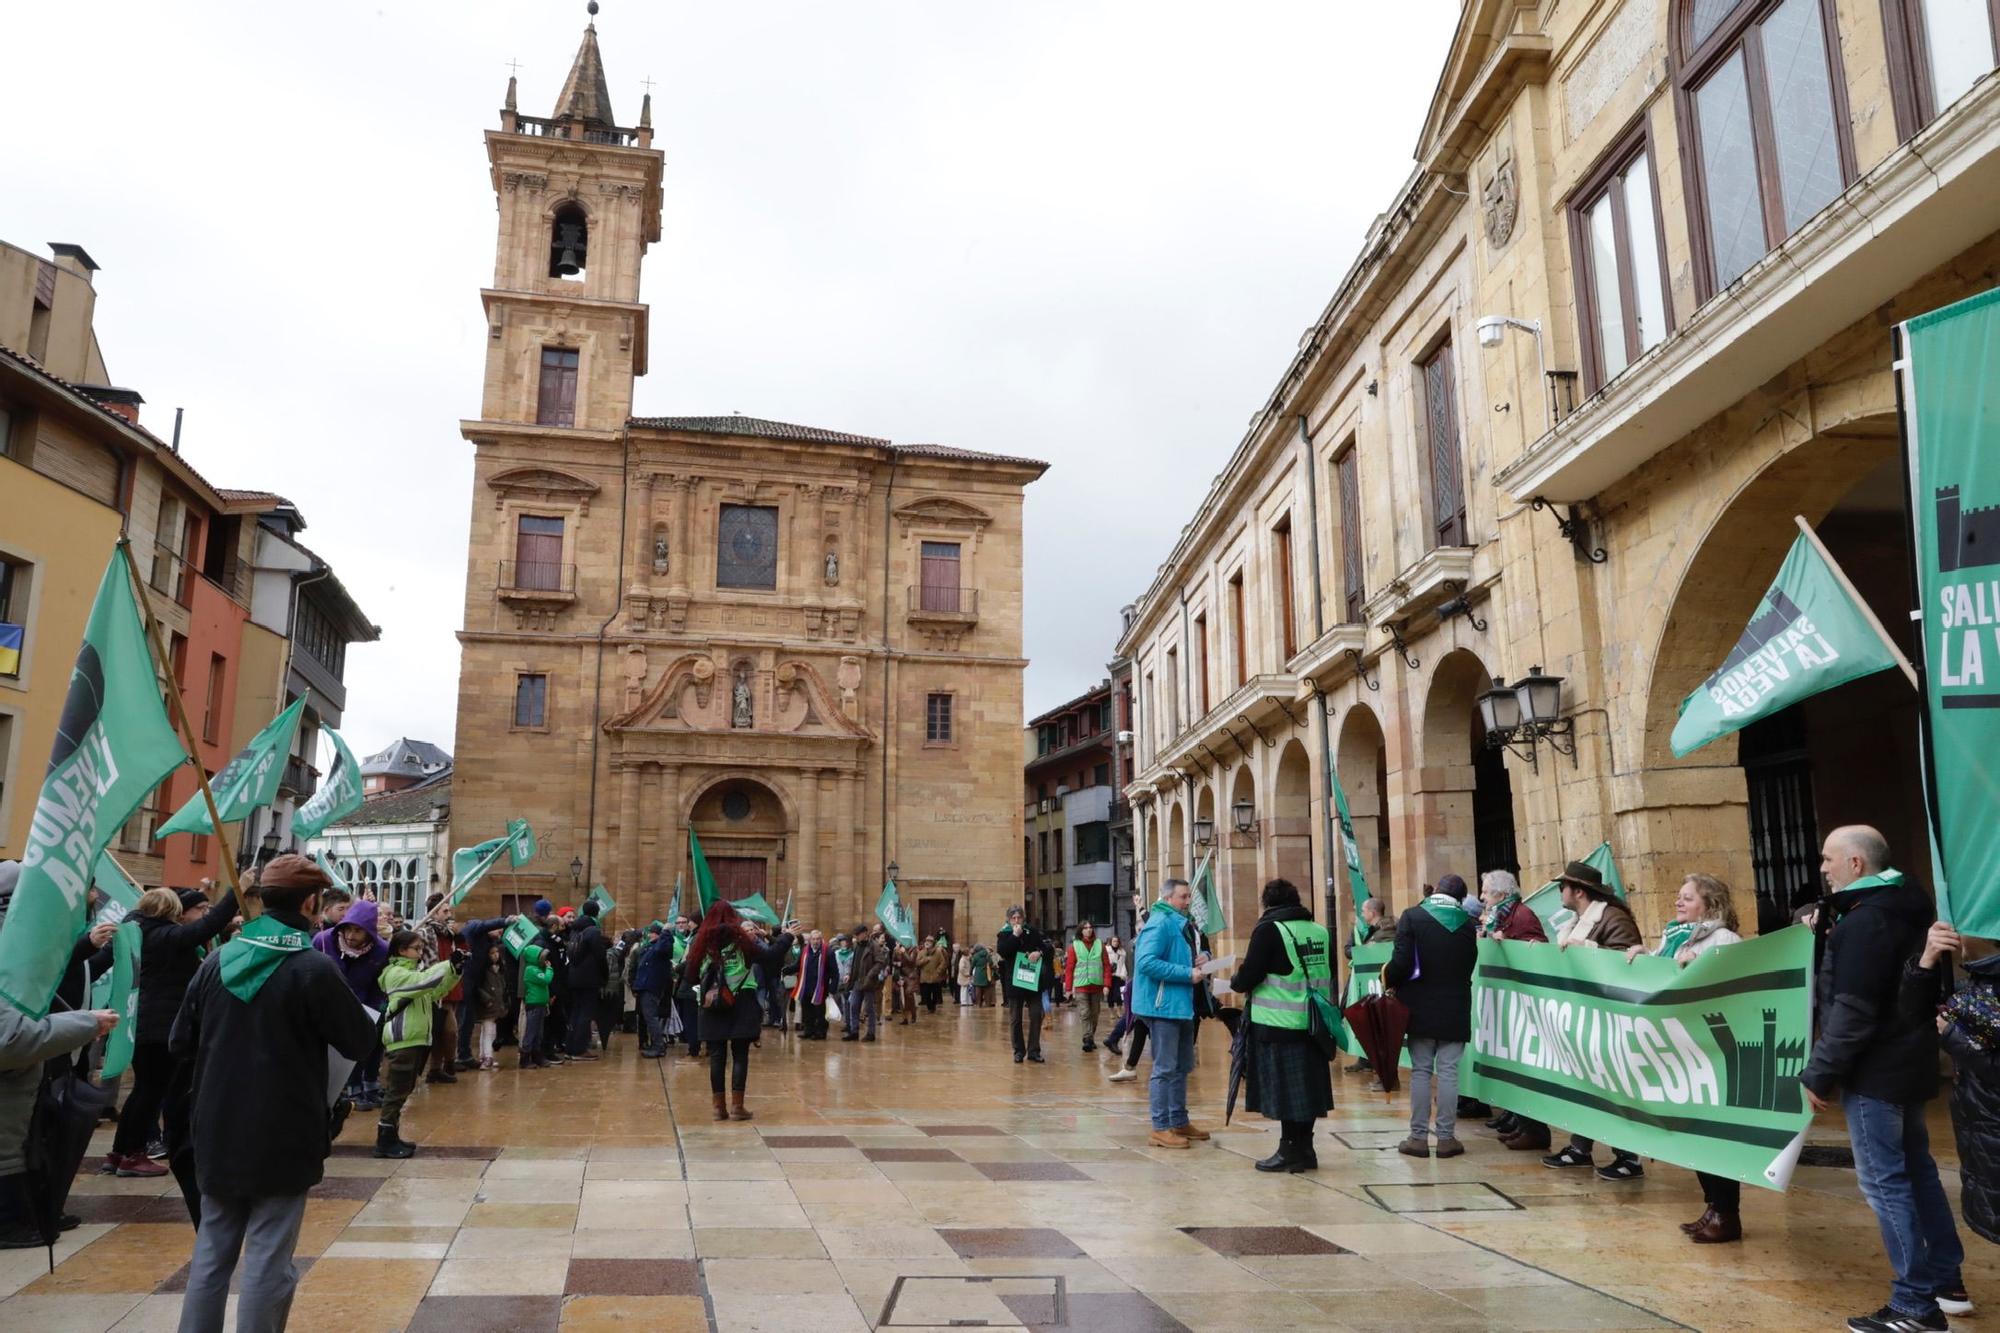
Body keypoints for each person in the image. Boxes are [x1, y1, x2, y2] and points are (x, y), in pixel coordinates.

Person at [170, 853, 378, 1333]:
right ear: (310, 903)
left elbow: (181, 1041)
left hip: (216, 1122)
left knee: (211, 1252)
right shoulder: (313, 969)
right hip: (286, 1127)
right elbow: (361, 1043)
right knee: (268, 1255)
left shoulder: (218, 960)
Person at [1801, 826, 1968, 1333]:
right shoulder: (1906, 905)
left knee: (1884, 1183)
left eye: (1829, 860)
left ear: (1855, 864)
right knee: (1916, 1172)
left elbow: (1853, 1009)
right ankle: (1946, 1281)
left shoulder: (1865, 922)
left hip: (1876, 1071)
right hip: (1910, 1063)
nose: (1823, 869)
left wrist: (1821, 1072)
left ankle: (1915, 1304)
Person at [1618, 874, 1747, 1241]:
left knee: (1713, 1137)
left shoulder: (1724, 939)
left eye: (1687, 898)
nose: (1679, 903)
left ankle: (1727, 1212)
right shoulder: (1675, 937)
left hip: (1712, 1052)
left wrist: (1697, 968)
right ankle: (1713, 1207)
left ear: (1710, 903)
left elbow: (1731, 987)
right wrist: (1645, 958)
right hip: (1683, 1052)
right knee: (1694, 1137)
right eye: (1678, 896)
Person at [106, 884, 240, 1177]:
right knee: (152, 1092)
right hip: (160, 1025)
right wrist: (235, 892)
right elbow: (208, 926)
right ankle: (133, 1155)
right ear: (172, 911)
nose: (202, 913)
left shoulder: (137, 931)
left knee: (143, 1090)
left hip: (143, 1022)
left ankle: (120, 1152)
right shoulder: (162, 935)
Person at [1542, 860, 1645, 1178]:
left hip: (1612, 1018)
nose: (1560, 892)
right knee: (1587, 1084)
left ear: (1578, 891)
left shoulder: (1613, 918)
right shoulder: (1577, 920)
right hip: (1587, 1016)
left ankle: (1629, 1156)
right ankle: (1580, 1148)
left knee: (1615, 1087)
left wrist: (1586, 948)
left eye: (1563, 887)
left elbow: (1625, 960)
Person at [1907, 920, 1997, 1265]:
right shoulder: (1975, 984)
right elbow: (1913, 1010)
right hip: (1983, 1129)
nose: (1957, 932)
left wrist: (1955, 1037)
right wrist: (1928, 957)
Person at [1229, 879, 1333, 1172]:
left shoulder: (1269, 930)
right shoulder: (1319, 930)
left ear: (1267, 903)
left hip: (1279, 1023)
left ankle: (1288, 1150)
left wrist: (1236, 982)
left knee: (1288, 1093)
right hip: (1315, 1024)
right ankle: (1306, 1148)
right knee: (1308, 1090)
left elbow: (1250, 974)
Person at [1384, 879, 1478, 1159]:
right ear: (1460, 898)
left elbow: (1400, 962)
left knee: (1421, 1070)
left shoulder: (1412, 916)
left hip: (1418, 1005)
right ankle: (1447, 1139)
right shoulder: (1467, 923)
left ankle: (1418, 1138)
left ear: (1436, 891)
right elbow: (1469, 962)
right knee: (1449, 1071)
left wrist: (1391, 982)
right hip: (1455, 1005)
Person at [683, 902, 794, 1121]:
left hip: (712, 1004)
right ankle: (737, 1107)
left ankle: (718, 1108)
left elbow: (690, 977)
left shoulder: (701, 943)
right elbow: (771, 957)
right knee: (740, 1055)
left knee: (716, 1057)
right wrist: (786, 936)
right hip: (742, 1002)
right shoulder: (742, 941)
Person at [1475, 870, 1550, 1147]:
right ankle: (1522, 1123)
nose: (1482, 896)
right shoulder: (1503, 915)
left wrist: (1505, 940)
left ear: (1502, 895)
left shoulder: (1522, 915)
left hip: (1523, 1002)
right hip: (1509, 1002)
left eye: (1486, 892)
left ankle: (1535, 1130)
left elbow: (1536, 950)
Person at [374, 928, 464, 1158]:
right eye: (416, 948)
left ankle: (392, 1135)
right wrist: (447, 965)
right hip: (403, 1038)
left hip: (416, 1038)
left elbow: (434, 991)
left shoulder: (415, 972)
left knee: (404, 1089)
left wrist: (455, 971)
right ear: (401, 950)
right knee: (395, 1091)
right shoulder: (394, 973)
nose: (420, 952)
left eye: (421, 948)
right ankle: (384, 1140)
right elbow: (423, 983)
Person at [1132, 879, 1203, 1147]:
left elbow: (1180, 954)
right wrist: (1186, 973)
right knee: (1164, 1068)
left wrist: (1201, 958)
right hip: (1163, 1006)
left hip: (1181, 1005)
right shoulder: (1160, 922)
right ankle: (1160, 1127)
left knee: (1182, 1065)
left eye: (1188, 897)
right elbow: (1146, 962)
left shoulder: (1180, 923)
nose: (1187, 901)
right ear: (1168, 897)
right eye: (1183, 897)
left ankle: (1179, 1120)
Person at [314, 897, 389, 1107]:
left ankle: (369, 1085)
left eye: (358, 931)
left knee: (369, 1044)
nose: (350, 935)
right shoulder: (323, 940)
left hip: (364, 1004)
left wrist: (374, 1010)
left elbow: (378, 984)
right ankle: (350, 1089)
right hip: (329, 1005)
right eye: (348, 929)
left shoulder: (381, 950)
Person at [454, 911, 512, 1070]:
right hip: (464, 983)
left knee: (469, 1022)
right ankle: (458, 1057)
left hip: (473, 986)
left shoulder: (487, 941)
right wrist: (505, 920)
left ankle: (465, 1055)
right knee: (463, 1021)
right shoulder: (474, 926)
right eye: (497, 928)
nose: (500, 932)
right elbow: (485, 924)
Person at [995, 907, 1049, 1064]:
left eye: (1019, 918)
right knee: (1015, 1018)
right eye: (1014, 918)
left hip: (1032, 980)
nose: (1017, 921)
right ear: (1009, 920)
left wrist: (1039, 953)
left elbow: (1046, 947)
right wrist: (1014, 936)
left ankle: (1034, 1050)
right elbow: (1003, 951)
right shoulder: (1004, 934)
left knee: (1035, 1015)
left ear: (1023, 919)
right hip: (1014, 981)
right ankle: (1018, 1051)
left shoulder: (1032, 931)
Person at [563, 898, 611, 1059]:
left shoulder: (575, 930)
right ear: (597, 913)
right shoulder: (592, 930)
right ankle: (579, 1049)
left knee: (576, 1012)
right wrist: (605, 976)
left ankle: (570, 1046)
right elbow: (600, 956)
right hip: (589, 978)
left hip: (574, 977)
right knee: (586, 1013)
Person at [1065, 921, 1109, 1053]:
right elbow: (1069, 968)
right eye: (1086, 928)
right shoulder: (1074, 946)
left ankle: (1091, 1037)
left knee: (1095, 1014)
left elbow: (1106, 966)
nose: (1089, 930)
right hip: (1081, 986)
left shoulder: (1099, 944)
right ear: (1081, 930)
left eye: (1090, 928)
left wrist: (1107, 984)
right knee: (1085, 1013)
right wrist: (1068, 988)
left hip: (1096, 985)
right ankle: (1087, 1039)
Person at [632, 922, 674, 1057]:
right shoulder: (650, 946)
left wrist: (666, 932)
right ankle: (656, 1044)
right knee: (648, 1016)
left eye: (651, 932)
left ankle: (658, 1046)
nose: (649, 934)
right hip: (645, 986)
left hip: (651, 987)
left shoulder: (662, 945)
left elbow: (661, 949)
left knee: (651, 1017)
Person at [793, 930, 837, 1040]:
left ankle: (820, 1032)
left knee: (820, 1012)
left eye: (818, 939)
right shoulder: (805, 951)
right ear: (810, 940)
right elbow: (797, 965)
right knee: (807, 1011)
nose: (815, 941)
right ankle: (808, 1031)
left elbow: (834, 972)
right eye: (813, 939)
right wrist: (786, 970)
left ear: (821, 940)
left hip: (821, 988)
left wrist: (832, 989)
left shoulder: (828, 952)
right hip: (806, 986)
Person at [471, 939, 507, 1070]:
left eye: (497, 952)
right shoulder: (484, 970)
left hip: (495, 1005)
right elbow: (478, 987)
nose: (496, 955)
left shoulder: (499, 970)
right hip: (487, 1005)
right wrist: (487, 999)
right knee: (489, 1031)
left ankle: (484, 1055)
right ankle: (487, 1057)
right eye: (492, 953)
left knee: (488, 1031)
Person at [518, 942, 555, 1069]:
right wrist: (549, 969)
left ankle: (536, 1055)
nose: (545, 960)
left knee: (539, 1033)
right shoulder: (531, 970)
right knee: (531, 1032)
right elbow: (546, 979)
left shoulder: (537, 969)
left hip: (541, 1004)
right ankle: (525, 1057)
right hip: (534, 1005)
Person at [917, 934, 948, 1013]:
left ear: (933, 943)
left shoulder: (938, 952)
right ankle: (929, 1007)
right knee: (926, 994)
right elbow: (917, 963)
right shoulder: (921, 952)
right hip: (925, 977)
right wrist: (925, 960)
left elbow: (943, 963)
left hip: (935, 977)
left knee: (935, 994)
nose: (927, 943)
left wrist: (938, 971)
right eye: (926, 941)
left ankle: (933, 1007)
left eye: (929, 941)